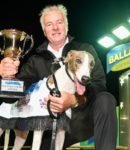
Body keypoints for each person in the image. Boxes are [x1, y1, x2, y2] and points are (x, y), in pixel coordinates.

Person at [0, 4, 117, 150]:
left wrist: (75, 100)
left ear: (66, 26)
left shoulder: (86, 50)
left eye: (59, 22)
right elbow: (11, 97)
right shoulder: (35, 60)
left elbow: (99, 87)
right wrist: (6, 78)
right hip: (52, 127)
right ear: (44, 30)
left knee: (106, 99)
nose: (55, 28)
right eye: (49, 24)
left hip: (81, 121)